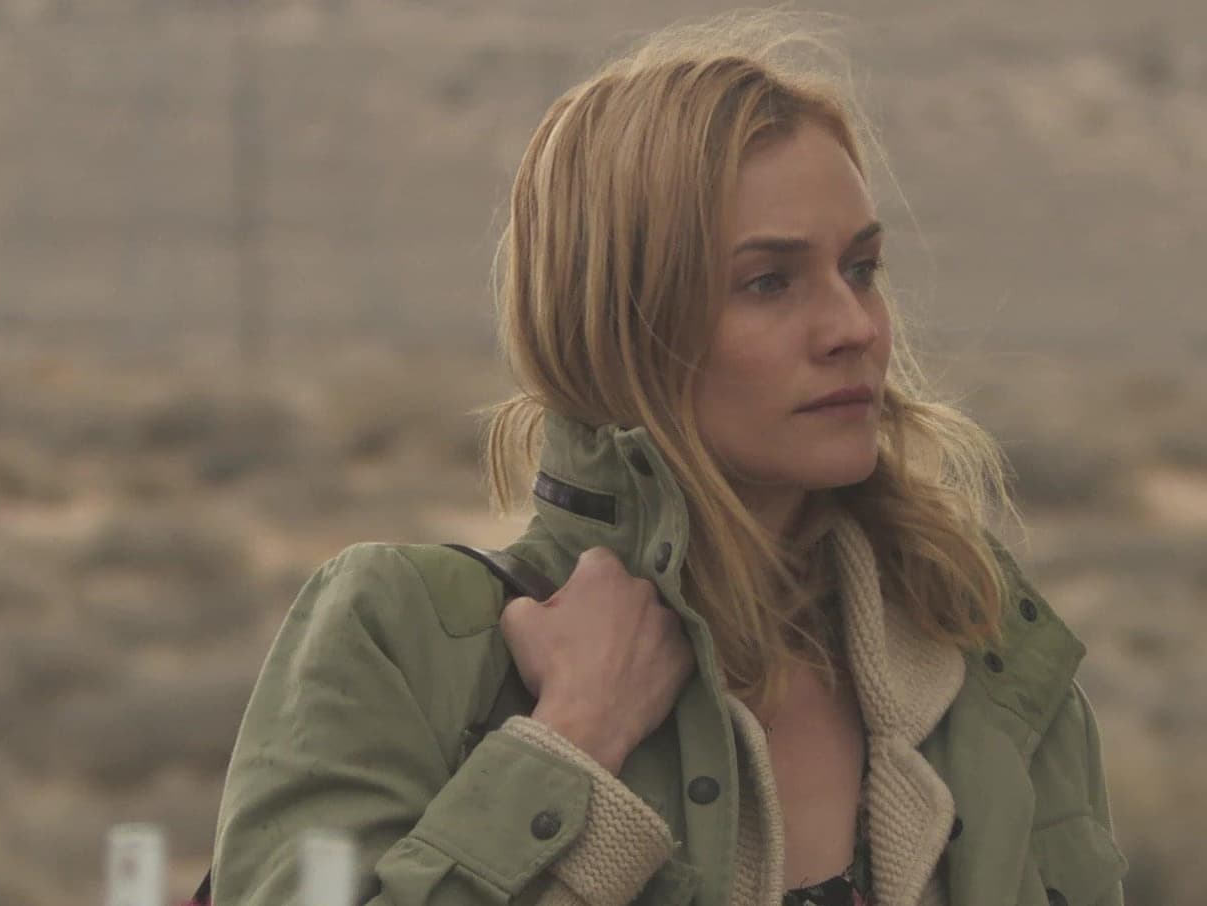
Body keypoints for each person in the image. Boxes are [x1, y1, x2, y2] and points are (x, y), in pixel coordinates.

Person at [209, 12, 1126, 906]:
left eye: (860, 269)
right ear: (621, 324)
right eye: (768, 282)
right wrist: (569, 745)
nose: (853, 328)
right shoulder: (407, 639)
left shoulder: (974, 643)